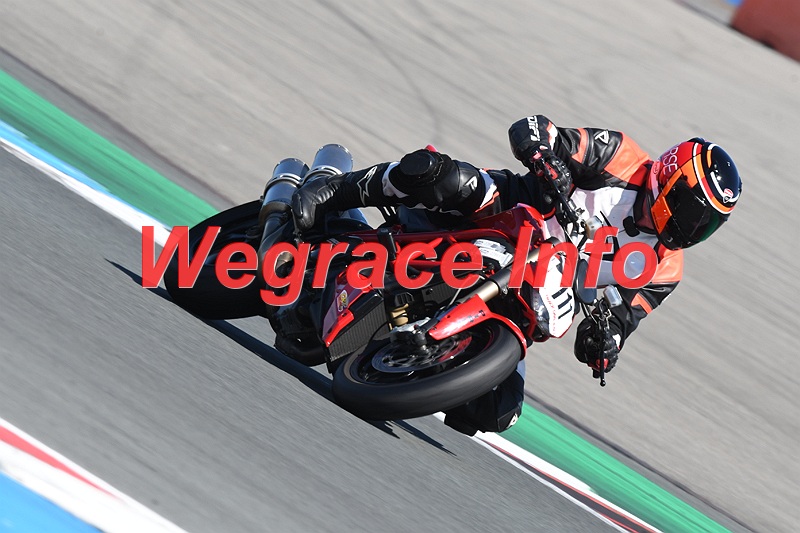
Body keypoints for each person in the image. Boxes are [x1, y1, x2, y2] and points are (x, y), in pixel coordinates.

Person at [289, 114, 743, 435]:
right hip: (505, 213)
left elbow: (621, 323)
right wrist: (546, 159)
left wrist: (604, 346)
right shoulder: (620, 157)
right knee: (444, 178)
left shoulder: (665, 267)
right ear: (669, 182)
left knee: (494, 412)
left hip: (530, 288)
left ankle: (390, 340)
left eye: (707, 225)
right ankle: (335, 189)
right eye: (692, 213)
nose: (692, 229)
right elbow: (532, 128)